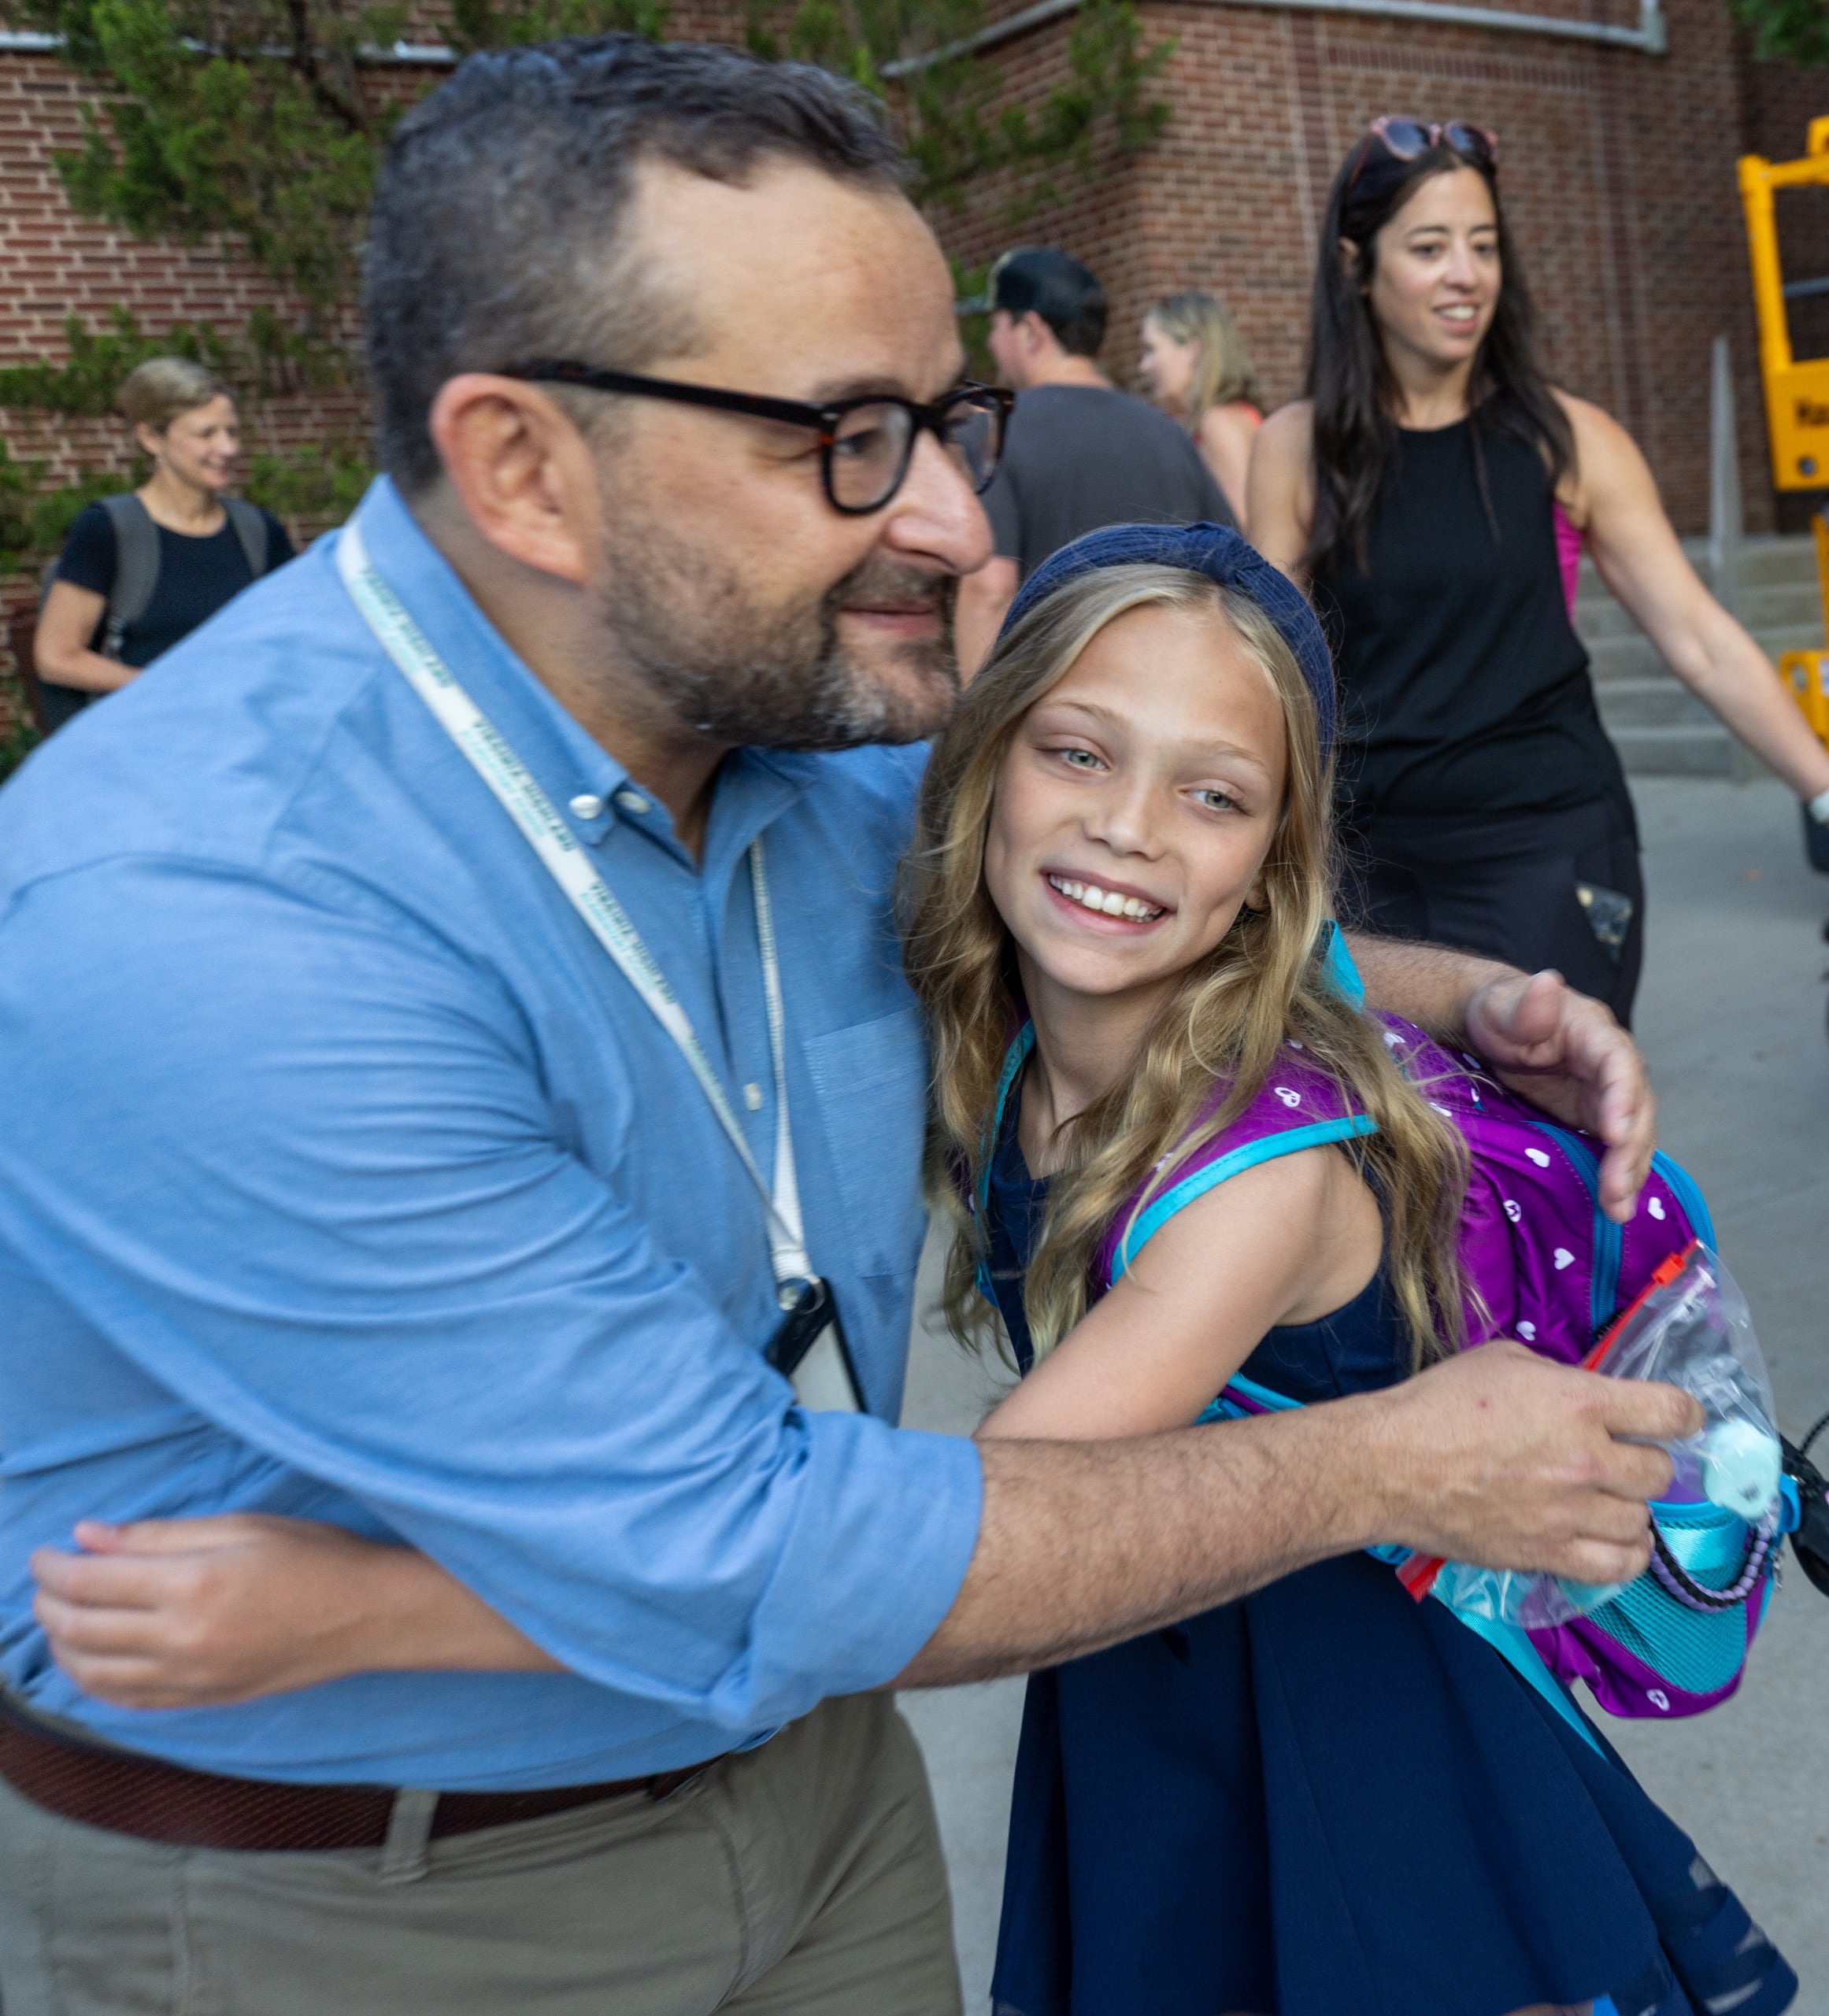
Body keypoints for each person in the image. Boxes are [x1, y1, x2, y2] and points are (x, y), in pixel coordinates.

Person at [0, 42, 1693, 2015]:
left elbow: (1109, 911)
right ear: (526, 465)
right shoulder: (224, 922)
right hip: (383, 1895)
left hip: (814, 1792)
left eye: (947, 418)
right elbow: (752, 1548)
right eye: (853, 435)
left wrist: (1459, 994)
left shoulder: (800, 736)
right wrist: (1382, 1463)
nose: (961, 522)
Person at [1246, 116, 1829, 1024]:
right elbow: (1262, 668)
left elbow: (1702, 641)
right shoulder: (1295, 449)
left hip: (1546, 851)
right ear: (1358, 266)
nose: (1466, 273)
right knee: (1388, 1157)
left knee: (1548, 1148)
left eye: (1483, 244)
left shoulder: (1568, 439)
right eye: (1429, 247)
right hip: (1368, 869)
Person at [954, 247, 1235, 664]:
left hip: (1056, 707)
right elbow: (1231, 569)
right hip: (1166, 692)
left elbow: (989, 590)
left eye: (995, 325)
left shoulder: (996, 433)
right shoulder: (1168, 434)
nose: (993, 344)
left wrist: (978, 721)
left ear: (1031, 330)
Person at [28, 357, 298, 729]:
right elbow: (57, 658)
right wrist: (173, 690)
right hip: (147, 751)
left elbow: (293, 639)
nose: (227, 448)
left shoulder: (259, 531)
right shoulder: (108, 530)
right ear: (151, 438)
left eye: (232, 432)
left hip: (246, 744)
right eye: (206, 435)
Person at [1137, 287, 1266, 525]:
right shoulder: (1213, 420)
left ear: (1192, 349)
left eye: (1151, 350)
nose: (1144, 366)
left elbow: (1251, 531)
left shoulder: (1219, 424)